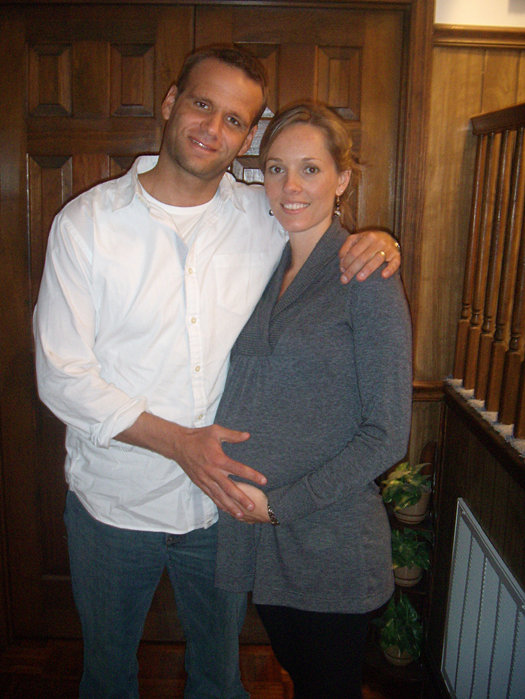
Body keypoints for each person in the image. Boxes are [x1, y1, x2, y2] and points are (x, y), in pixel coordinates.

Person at [33, 45, 401, 699]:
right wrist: (180, 443)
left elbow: (318, 223)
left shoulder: (262, 215)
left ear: (247, 136)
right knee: (107, 676)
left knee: (219, 677)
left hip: (221, 513)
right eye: (202, 104)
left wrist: (378, 239)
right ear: (170, 102)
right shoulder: (87, 225)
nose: (213, 128)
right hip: (114, 503)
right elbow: (63, 374)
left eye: (234, 119)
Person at [215, 102, 413, 699]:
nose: (291, 186)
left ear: (342, 179)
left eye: (310, 169)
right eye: (277, 169)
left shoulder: (364, 275)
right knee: (301, 678)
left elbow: (387, 433)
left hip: (327, 541)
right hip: (258, 538)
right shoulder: (261, 266)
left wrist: (279, 507)